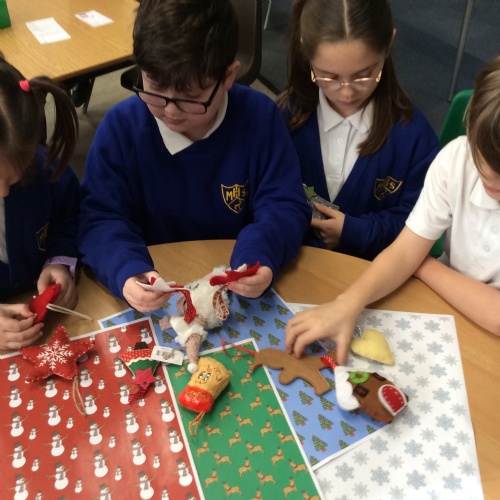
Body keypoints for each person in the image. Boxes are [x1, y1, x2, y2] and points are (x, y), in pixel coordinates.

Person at [78, 0, 311, 312]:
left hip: (236, 295)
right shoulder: (121, 128)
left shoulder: (261, 118)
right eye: (154, 87)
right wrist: (125, 267)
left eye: (190, 97)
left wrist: (262, 251)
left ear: (228, 76)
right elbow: (100, 217)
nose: (171, 110)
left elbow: (284, 204)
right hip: (157, 293)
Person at [285, 56, 500, 366]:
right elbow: (404, 252)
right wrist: (345, 305)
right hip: (445, 306)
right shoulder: (457, 159)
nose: (489, 177)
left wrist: (422, 264)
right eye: (481, 156)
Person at [277, 0, 440, 260]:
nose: (347, 92)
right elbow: (263, 202)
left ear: (388, 44)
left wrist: (355, 231)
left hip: (375, 274)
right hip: (293, 266)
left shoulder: (414, 138)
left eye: (364, 75)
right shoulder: (283, 119)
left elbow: (425, 225)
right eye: (329, 76)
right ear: (305, 49)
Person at [0, 54, 80, 350]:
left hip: (44, 323)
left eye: (14, 177)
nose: (3, 191)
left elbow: (70, 216)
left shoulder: (45, 169)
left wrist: (60, 261)